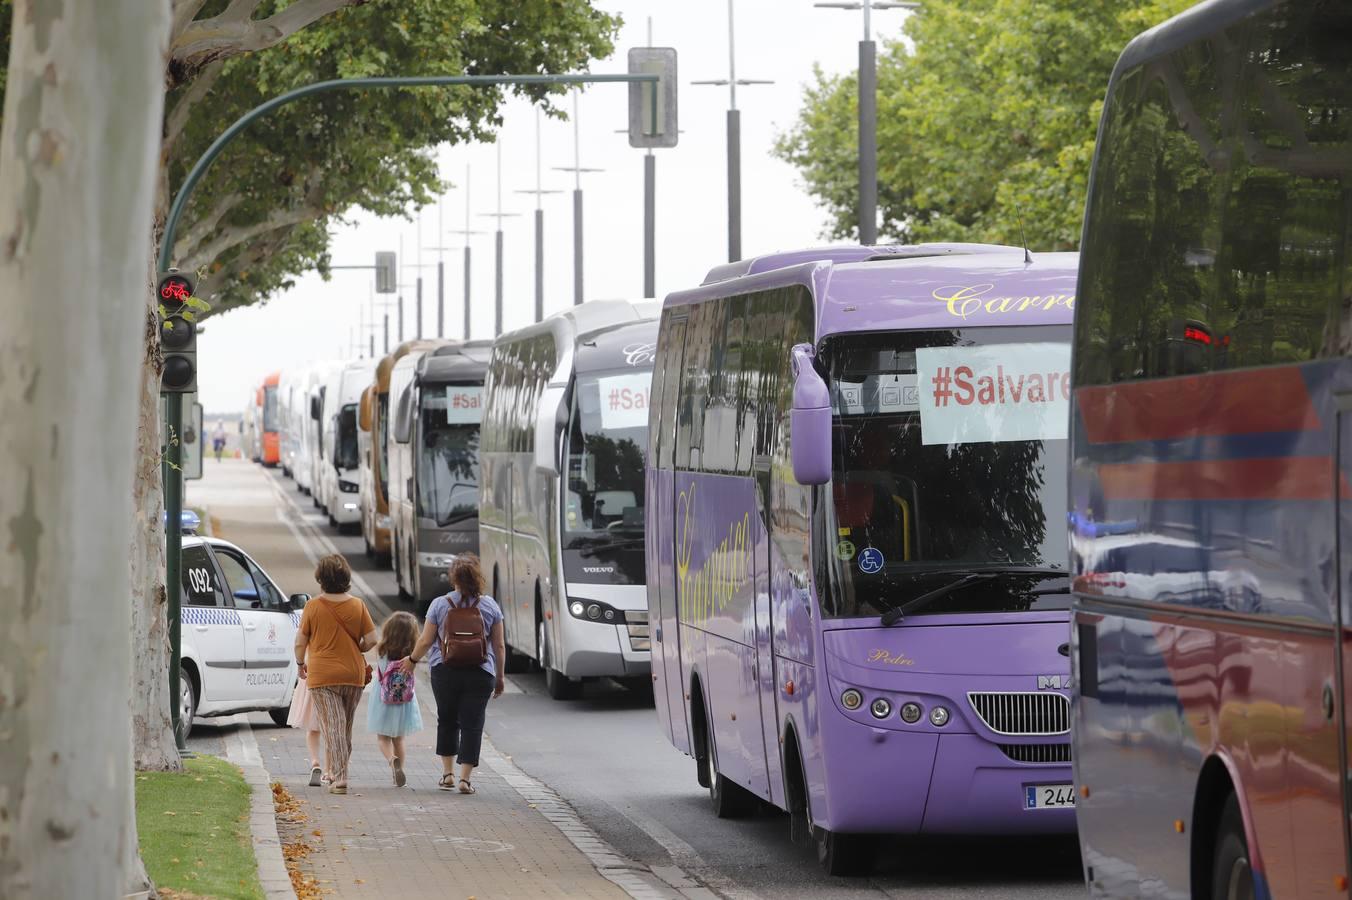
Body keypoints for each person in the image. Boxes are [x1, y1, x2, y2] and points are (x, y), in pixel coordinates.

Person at [402, 553, 505, 794]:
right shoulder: (490, 606)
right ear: (477, 577)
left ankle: (447, 774)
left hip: (445, 670)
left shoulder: (440, 604)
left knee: (447, 719)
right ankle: (465, 780)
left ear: (453, 578)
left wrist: (412, 659)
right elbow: (499, 646)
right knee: (473, 723)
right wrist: (499, 677)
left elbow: (426, 640)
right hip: (480, 672)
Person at [294, 554, 375, 795]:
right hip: (353, 674)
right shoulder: (358, 605)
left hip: (323, 676)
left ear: (321, 578)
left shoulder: (312, 607)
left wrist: (300, 662)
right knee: (344, 727)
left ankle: (340, 778)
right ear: (346, 578)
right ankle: (340, 771)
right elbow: (371, 639)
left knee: (334, 727)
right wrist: (356, 648)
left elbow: (300, 641)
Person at [366, 611, 423, 787]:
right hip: (403, 701)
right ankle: (398, 772)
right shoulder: (412, 654)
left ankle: (392, 761)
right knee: (399, 739)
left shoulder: (381, 650)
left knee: (383, 738)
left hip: (382, 698)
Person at [285, 659, 327, 787]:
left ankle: (315, 762)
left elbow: (300, 645)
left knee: (312, 726)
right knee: (331, 729)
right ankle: (329, 770)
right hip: (330, 672)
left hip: (312, 670)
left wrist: (300, 666)